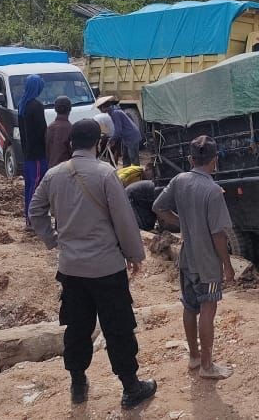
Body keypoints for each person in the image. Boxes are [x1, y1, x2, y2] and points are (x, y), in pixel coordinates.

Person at [29, 119, 157, 410]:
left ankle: (77, 382)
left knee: (76, 327)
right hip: (106, 267)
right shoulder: (105, 173)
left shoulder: (53, 175)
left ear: (72, 143)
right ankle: (130, 387)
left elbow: (35, 211)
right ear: (97, 143)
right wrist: (134, 255)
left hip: (71, 268)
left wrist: (53, 240)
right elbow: (124, 219)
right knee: (118, 327)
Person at [153, 136, 236, 380]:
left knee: (190, 307)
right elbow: (218, 235)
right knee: (208, 309)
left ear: (190, 159)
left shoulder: (179, 181)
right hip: (207, 262)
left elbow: (158, 207)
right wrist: (227, 266)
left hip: (186, 258)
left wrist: (183, 223)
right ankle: (208, 367)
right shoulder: (212, 191)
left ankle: (194, 357)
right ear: (215, 161)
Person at [18, 74, 48, 226]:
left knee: (30, 186)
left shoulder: (23, 104)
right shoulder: (36, 106)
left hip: (28, 153)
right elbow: (43, 131)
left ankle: (29, 219)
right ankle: (32, 220)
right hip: (38, 154)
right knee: (36, 187)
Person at [96, 96, 143, 167]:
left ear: (103, 107)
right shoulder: (113, 111)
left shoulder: (115, 113)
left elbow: (118, 130)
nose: (100, 111)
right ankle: (125, 174)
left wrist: (112, 139)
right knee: (125, 157)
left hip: (131, 136)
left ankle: (138, 176)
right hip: (126, 137)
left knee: (133, 159)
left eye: (100, 108)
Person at [45, 95, 74, 168]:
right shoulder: (70, 128)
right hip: (66, 169)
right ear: (70, 109)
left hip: (50, 169)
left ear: (55, 109)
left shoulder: (49, 127)